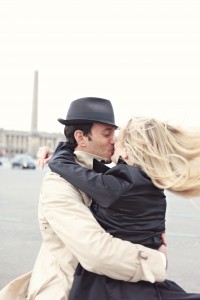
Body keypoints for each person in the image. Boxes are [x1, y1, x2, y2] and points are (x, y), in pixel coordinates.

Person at [0, 98, 167, 300]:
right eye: (107, 134)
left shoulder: (99, 174)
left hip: (101, 286)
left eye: (114, 133)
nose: (114, 140)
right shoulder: (58, 183)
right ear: (81, 137)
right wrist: (157, 262)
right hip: (66, 290)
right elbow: (96, 251)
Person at [44, 116, 200, 299]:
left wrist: (66, 147)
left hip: (109, 285)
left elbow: (62, 165)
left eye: (117, 139)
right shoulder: (149, 183)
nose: (112, 142)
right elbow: (94, 173)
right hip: (141, 279)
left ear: (126, 152)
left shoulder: (118, 187)